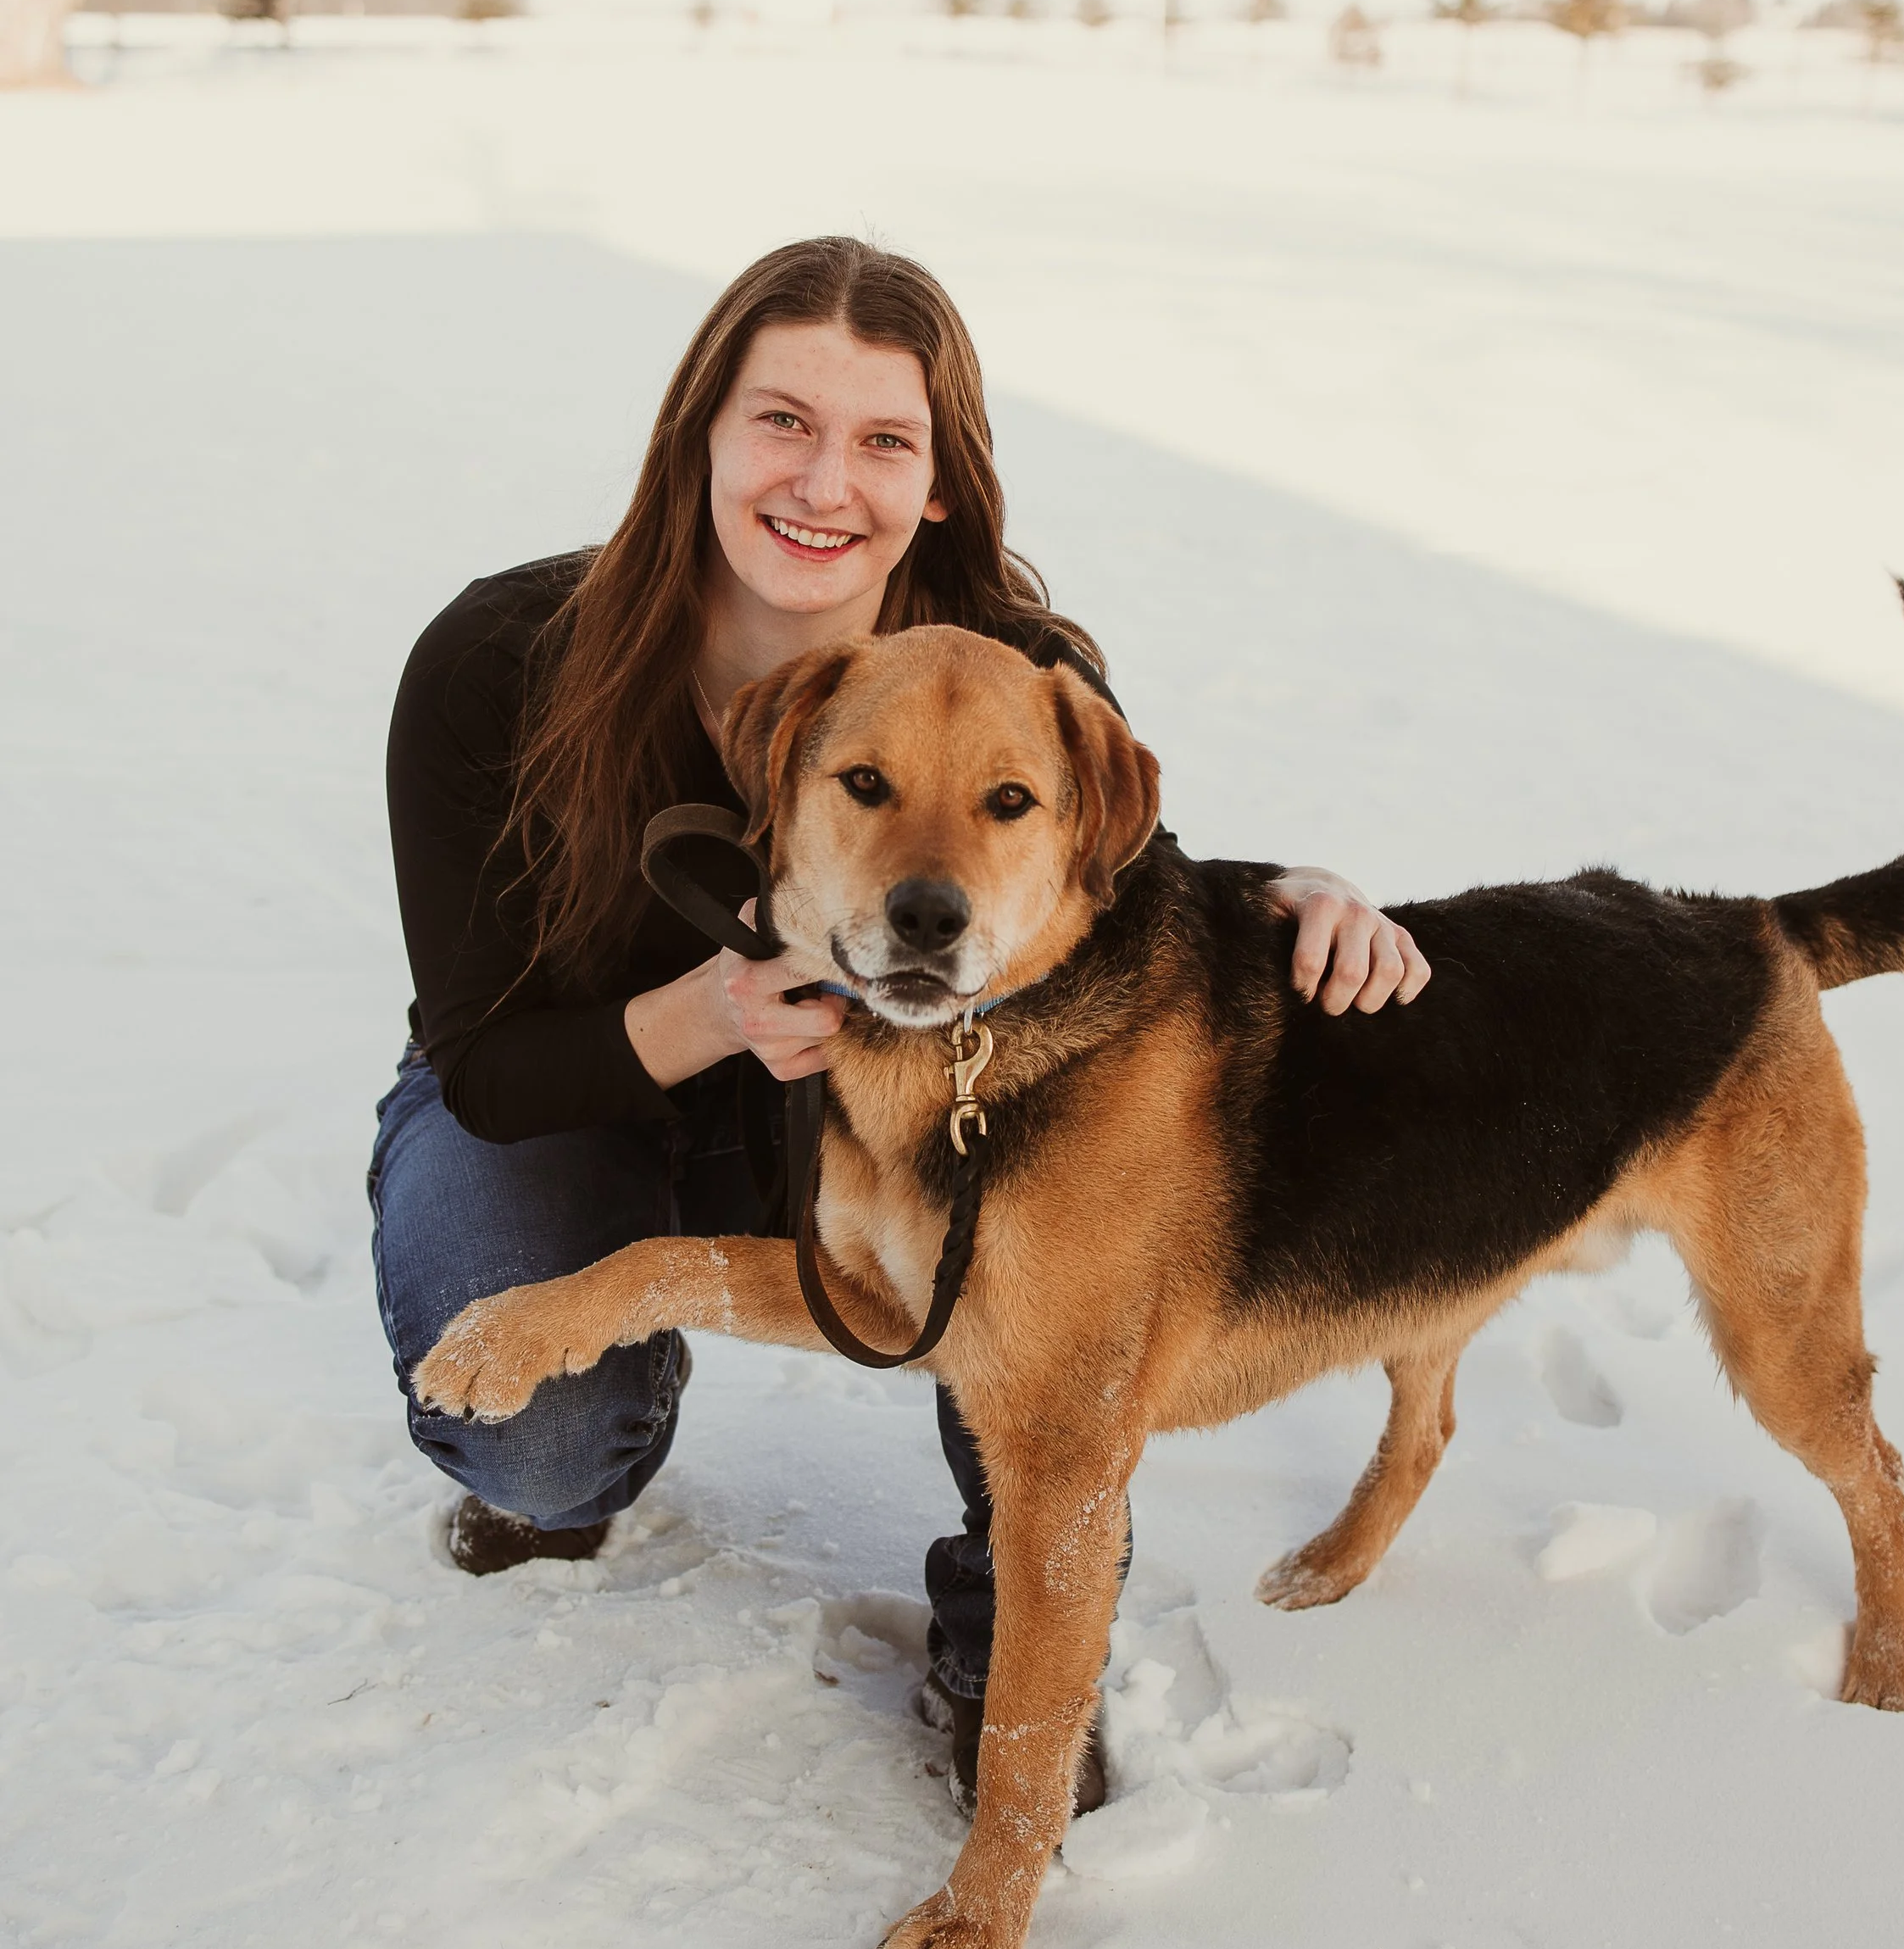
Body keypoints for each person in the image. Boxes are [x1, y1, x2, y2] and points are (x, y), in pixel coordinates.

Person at [370, 237, 1428, 1803]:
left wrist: (1300, 892)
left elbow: (1103, 888)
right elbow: (488, 1061)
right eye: (783, 421)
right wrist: (720, 1010)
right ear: (700, 440)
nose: (826, 481)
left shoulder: (1015, 668)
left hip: (872, 1112)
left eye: (885, 439)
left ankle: (1009, 1638)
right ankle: (575, 1454)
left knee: (1044, 1225)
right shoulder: (502, 661)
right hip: (573, 1093)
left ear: (939, 483)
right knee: (538, 1442)